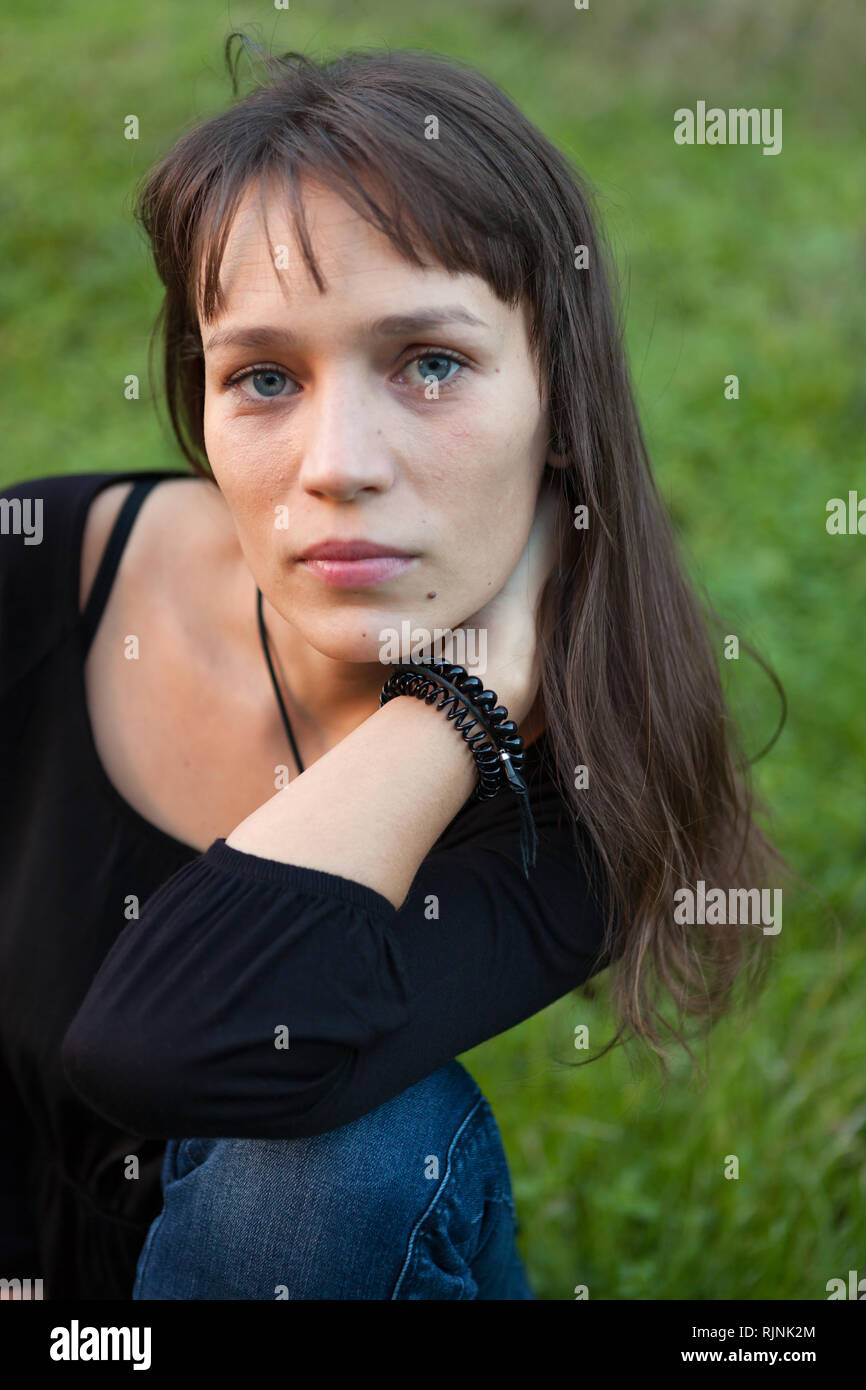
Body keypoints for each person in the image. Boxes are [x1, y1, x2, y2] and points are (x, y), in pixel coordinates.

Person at [0, 39, 783, 1301]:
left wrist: (468, 699)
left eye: (429, 363)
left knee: (330, 1152)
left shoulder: (586, 792)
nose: (336, 463)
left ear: (562, 401)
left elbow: (171, 1048)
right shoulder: (37, 574)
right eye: (263, 377)